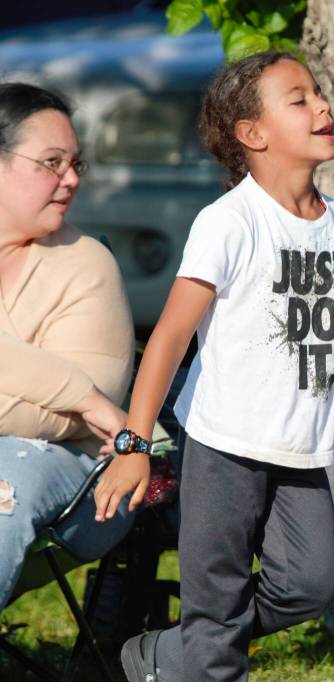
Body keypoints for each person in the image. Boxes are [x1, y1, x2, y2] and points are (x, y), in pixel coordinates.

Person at [93, 51, 334, 681]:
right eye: (299, 99)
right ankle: (202, 651)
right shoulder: (229, 222)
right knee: (214, 604)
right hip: (223, 444)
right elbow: (167, 339)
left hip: (300, 449)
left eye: (319, 92)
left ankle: (166, 653)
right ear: (253, 134)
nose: (322, 105)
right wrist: (134, 442)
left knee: (309, 585)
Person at [0, 82, 134, 611]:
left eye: (76, 163)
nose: (72, 179)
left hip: (76, 477)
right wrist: (71, 393)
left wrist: (80, 399)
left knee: (8, 477)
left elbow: (81, 421)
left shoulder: (86, 263)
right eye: (52, 162)